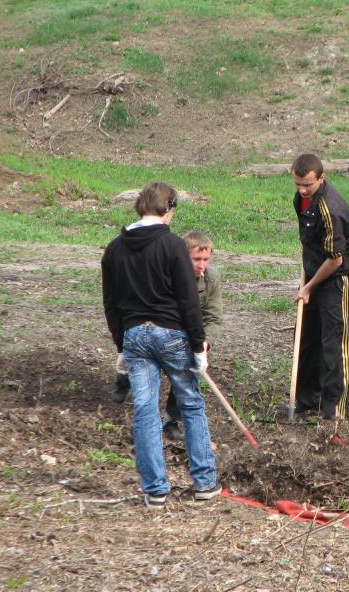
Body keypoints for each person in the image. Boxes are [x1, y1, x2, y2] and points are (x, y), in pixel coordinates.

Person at [101, 182, 220, 509]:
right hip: (171, 334)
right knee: (191, 404)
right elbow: (188, 300)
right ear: (168, 208)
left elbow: (111, 304)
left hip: (135, 337)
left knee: (144, 409)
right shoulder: (172, 246)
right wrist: (199, 346)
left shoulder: (114, 249)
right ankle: (205, 484)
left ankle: (155, 490)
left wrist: (121, 348)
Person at [291, 153, 349, 421]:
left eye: (307, 184)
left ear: (321, 178)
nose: (301, 189)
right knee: (307, 335)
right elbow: (310, 241)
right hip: (314, 271)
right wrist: (307, 279)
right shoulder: (301, 199)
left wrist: (308, 287)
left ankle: (335, 409)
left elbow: (336, 259)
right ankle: (308, 397)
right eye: (297, 183)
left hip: (336, 278)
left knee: (334, 340)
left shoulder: (331, 209)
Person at [161, 231, 224, 441]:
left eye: (206, 259)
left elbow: (214, 318)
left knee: (190, 370)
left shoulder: (211, 278)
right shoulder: (169, 275)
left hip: (193, 336)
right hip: (165, 330)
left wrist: (205, 344)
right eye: (197, 259)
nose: (202, 265)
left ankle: (171, 418)